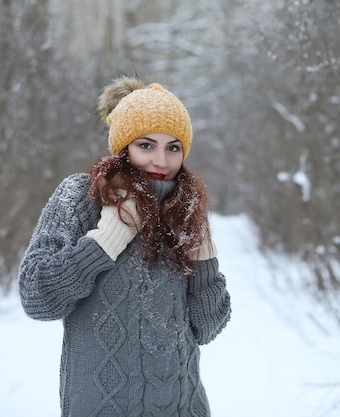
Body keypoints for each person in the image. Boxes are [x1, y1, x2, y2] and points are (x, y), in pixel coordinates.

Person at [18, 75, 231, 417]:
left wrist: (204, 258)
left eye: (173, 147)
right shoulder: (81, 198)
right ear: (123, 146)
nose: (161, 161)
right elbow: (37, 298)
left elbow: (206, 328)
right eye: (146, 145)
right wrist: (102, 245)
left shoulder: (183, 209)